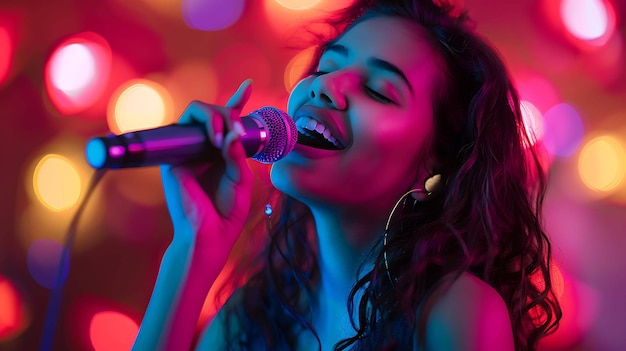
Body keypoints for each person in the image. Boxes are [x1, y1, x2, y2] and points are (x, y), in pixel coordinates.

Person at [132, 0, 562, 350]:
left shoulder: (456, 314)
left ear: (436, 165)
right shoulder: (250, 317)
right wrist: (194, 246)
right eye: (325, 68)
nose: (325, 87)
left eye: (377, 90)